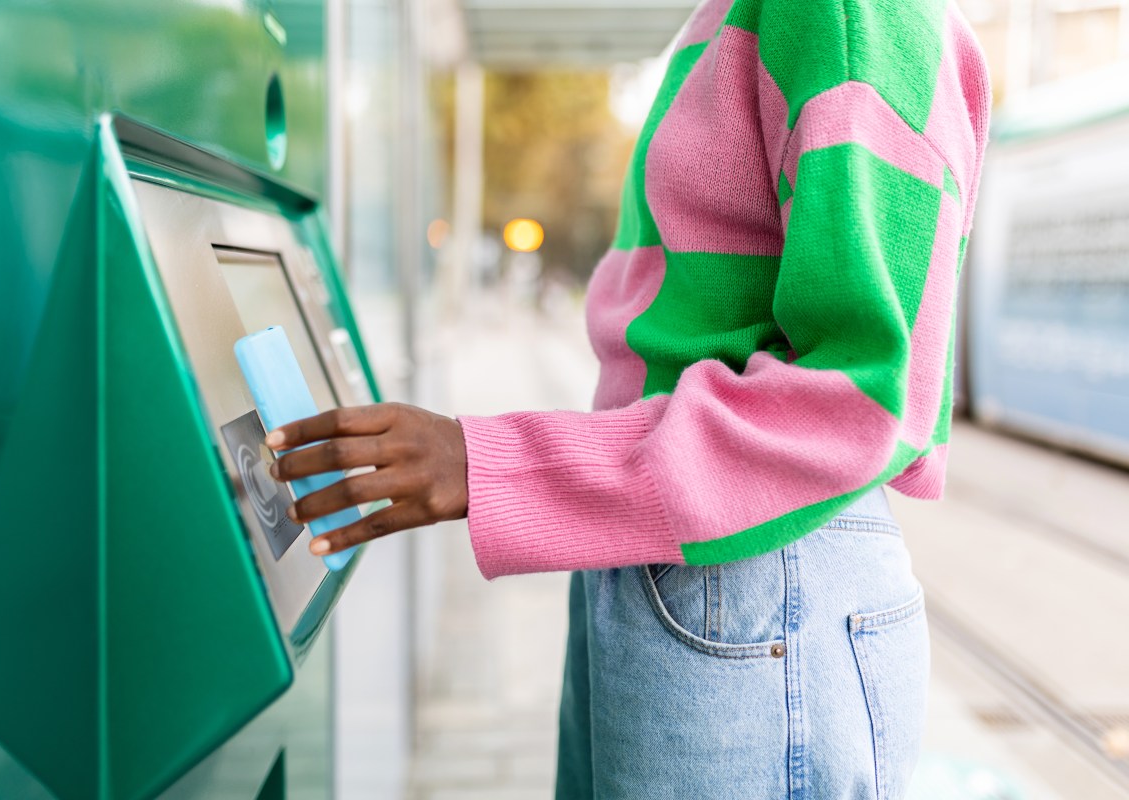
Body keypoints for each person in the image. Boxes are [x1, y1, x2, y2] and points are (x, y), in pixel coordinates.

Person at [265, 0, 990, 794]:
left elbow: (861, 403)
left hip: (756, 571)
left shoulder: (845, 11)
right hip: (685, 560)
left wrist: (494, 465)